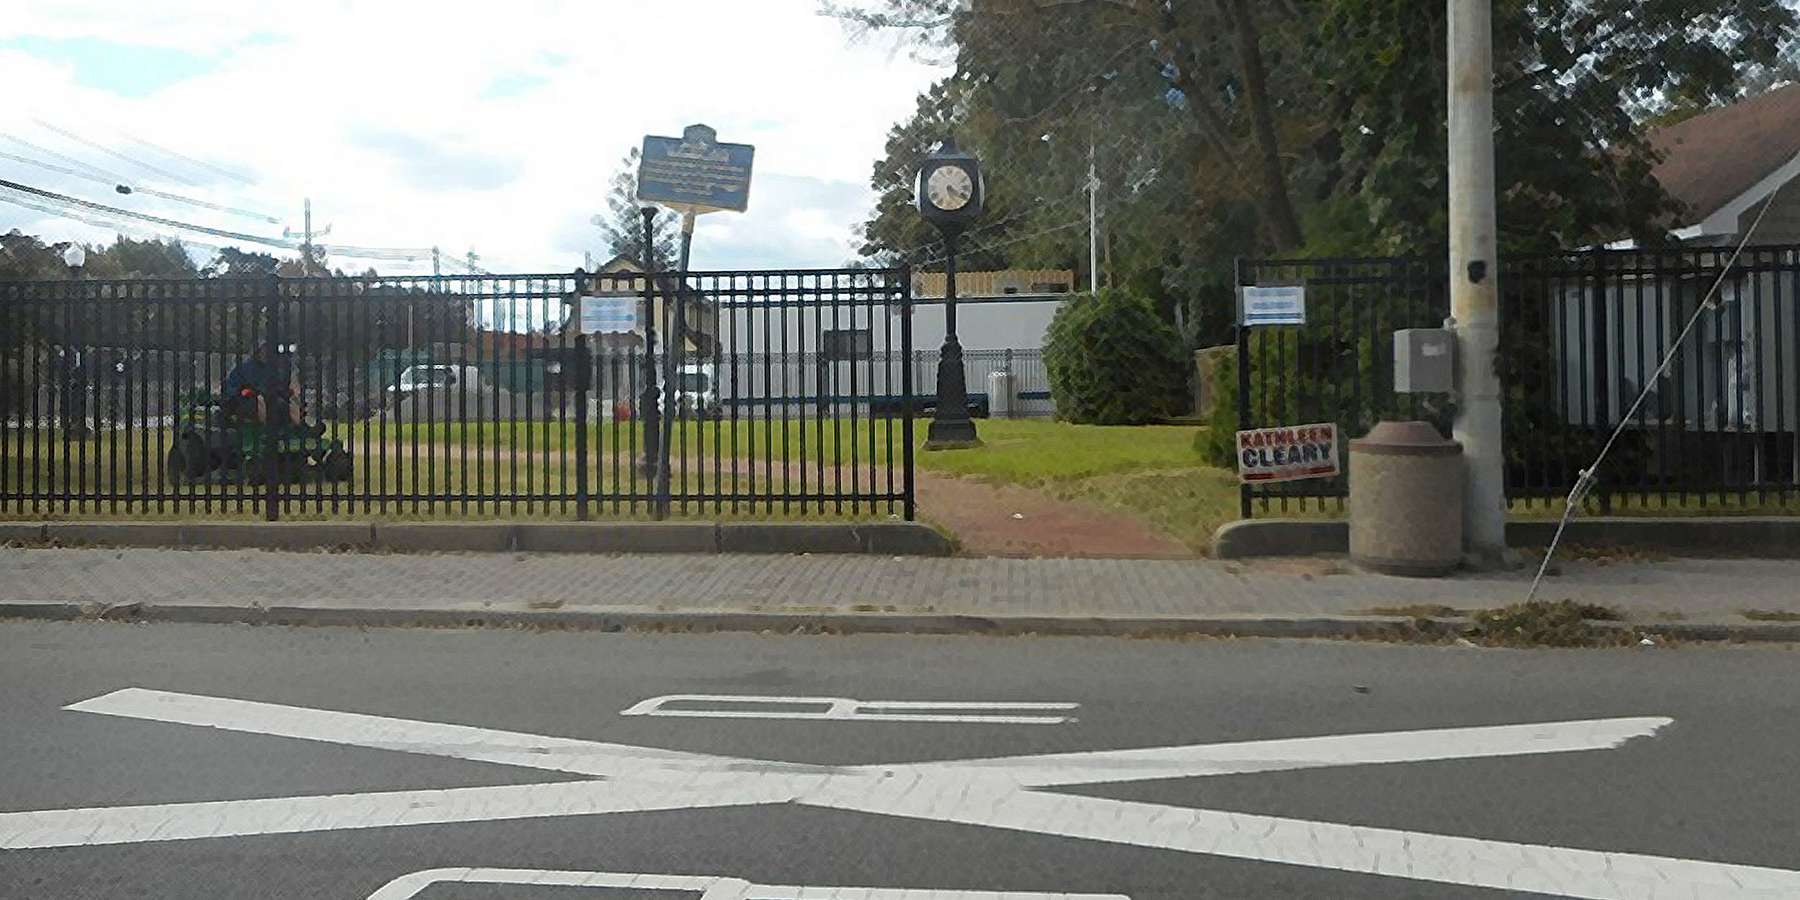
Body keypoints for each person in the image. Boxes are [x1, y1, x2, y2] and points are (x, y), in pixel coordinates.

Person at [222, 343, 301, 425]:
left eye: (268, 351)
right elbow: (231, 387)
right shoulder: (244, 367)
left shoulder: (273, 369)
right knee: (260, 402)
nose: (266, 354)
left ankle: (296, 427)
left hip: (268, 398)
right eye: (264, 351)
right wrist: (243, 392)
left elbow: (277, 385)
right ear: (257, 352)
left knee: (285, 404)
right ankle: (266, 430)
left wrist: (284, 391)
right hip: (247, 400)